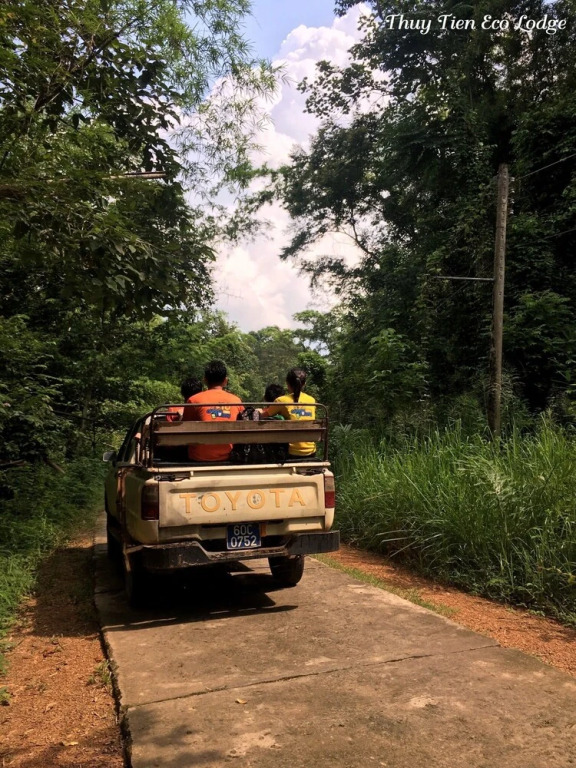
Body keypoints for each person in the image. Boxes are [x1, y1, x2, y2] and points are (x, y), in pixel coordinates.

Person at [183, 360, 243, 462]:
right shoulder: (236, 401)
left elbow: (185, 428)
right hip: (228, 456)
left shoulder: (194, 400)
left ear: (205, 380)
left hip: (198, 457)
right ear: (225, 380)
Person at [261, 368, 316, 458]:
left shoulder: (281, 401)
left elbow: (263, 417)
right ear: (304, 384)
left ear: (287, 384)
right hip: (311, 451)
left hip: (290, 452)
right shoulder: (312, 400)